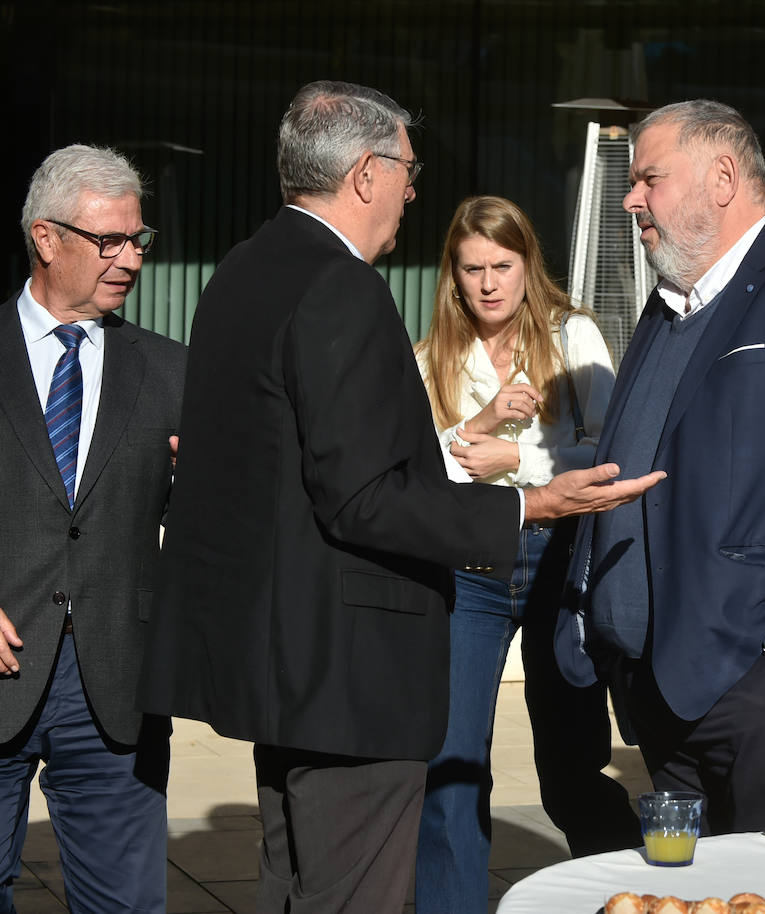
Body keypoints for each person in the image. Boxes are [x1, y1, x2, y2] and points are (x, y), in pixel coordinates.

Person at [136, 80, 661, 914]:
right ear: (367, 174)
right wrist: (529, 506)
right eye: (410, 173)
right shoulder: (343, 288)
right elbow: (364, 498)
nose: (413, 194)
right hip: (351, 677)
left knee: (294, 885)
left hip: (284, 668)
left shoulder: (242, 271)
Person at [553, 99, 765, 836]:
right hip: (661, 690)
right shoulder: (667, 307)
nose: (630, 198)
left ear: (724, 178)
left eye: (649, 178)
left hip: (757, 691)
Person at [412, 196, 638, 913]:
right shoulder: (434, 354)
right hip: (470, 561)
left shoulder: (571, 336)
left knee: (570, 767)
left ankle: (629, 897)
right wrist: (473, 429)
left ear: (526, 263)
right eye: (472, 268)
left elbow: (610, 456)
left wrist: (516, 453)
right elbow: (416, 472)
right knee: (451, 765)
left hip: (559, 558)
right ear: (453, 274)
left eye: (501, 266)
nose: (487, 284)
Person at [0, 145, 184, 913]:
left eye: (138, 240)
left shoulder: (173, 370)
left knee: (126, 906)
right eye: (109, 240)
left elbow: (201, 520)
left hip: (115, 678)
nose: (131, 259)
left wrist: (203, 485)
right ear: (47, 238)